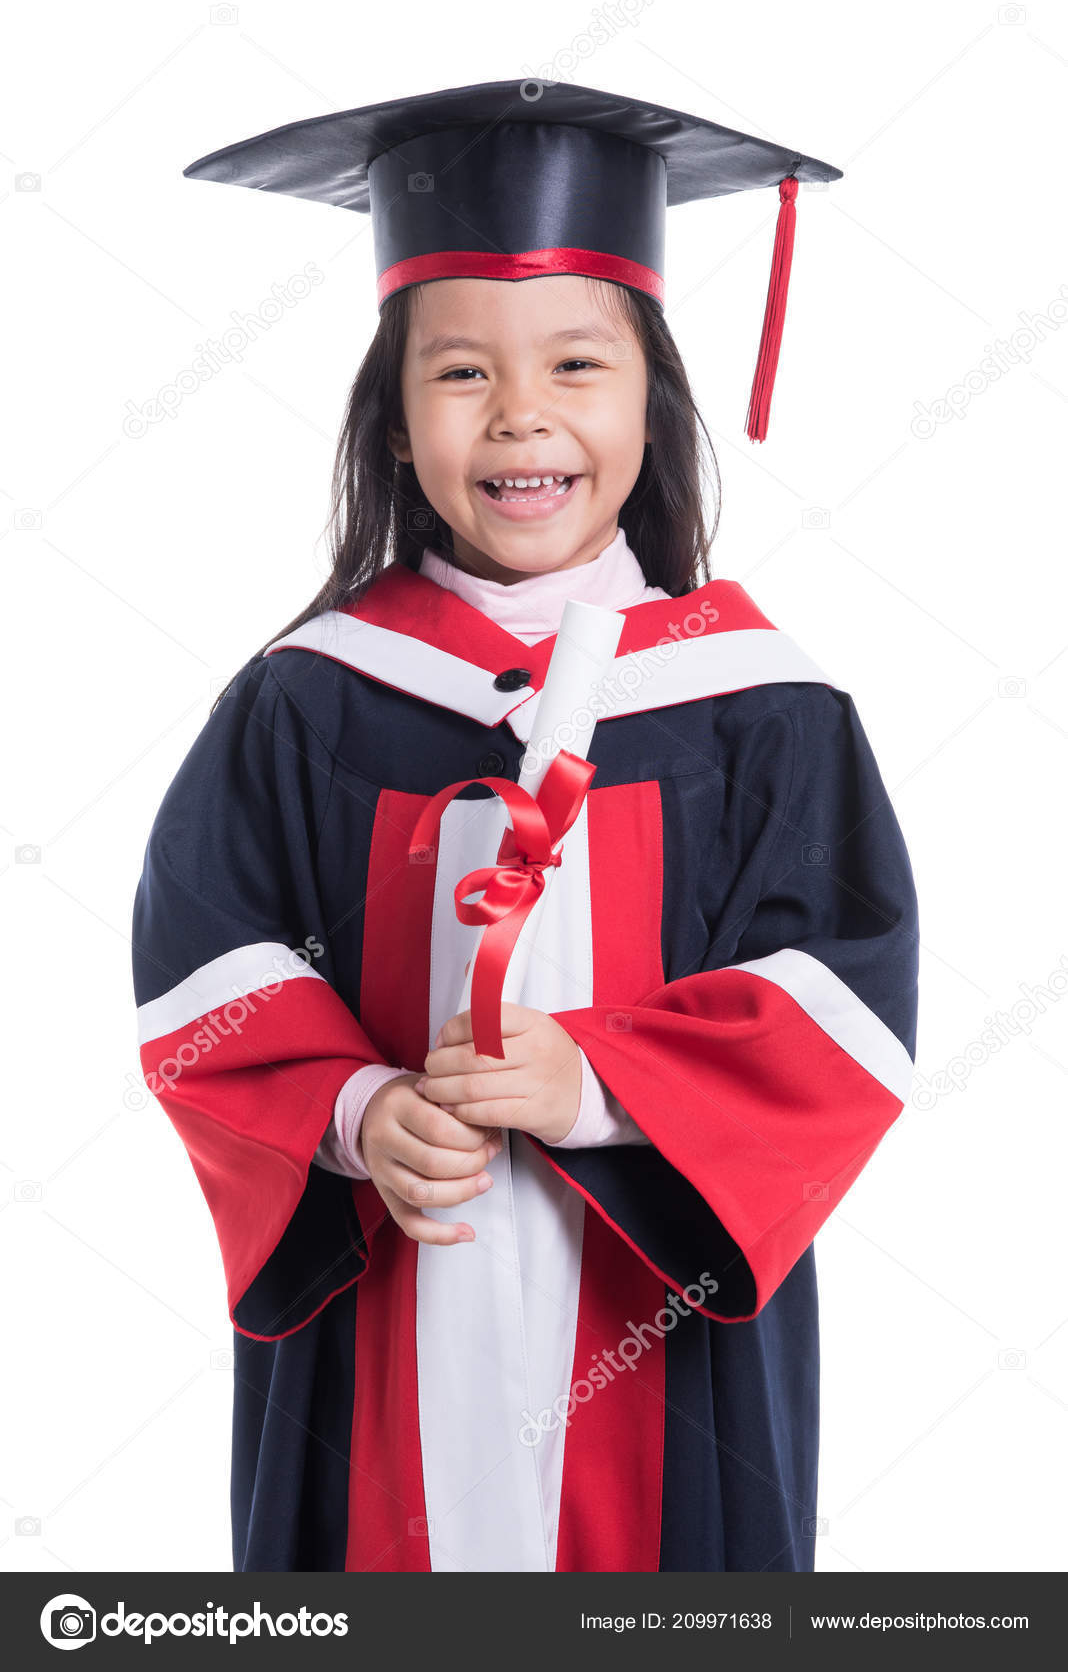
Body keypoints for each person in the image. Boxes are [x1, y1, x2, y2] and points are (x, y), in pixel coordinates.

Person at [131, 80, 919, 1573]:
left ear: (651, 400)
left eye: (576, 361)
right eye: (459, 372)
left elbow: (847, 1010)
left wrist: (601, 1081)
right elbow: (204, 969)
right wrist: (355, 1114)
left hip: (657, 1335)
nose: (520, 415)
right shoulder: (311, 702)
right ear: (392, 416)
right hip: (385, 1301)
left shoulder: (760, 712)